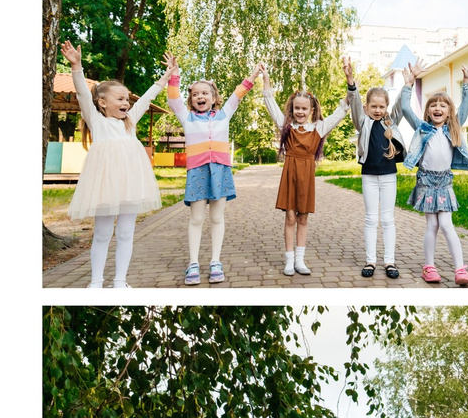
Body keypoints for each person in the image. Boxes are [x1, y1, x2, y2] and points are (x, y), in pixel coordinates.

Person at [62, 41, 163, 288]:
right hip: (105, 185)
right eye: (120, 98)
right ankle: (96, 282)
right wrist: (77, 66)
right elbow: (84, 94)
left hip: (130, 184)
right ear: (103, 102)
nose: (126, 102)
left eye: (127, 98)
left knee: (126, 232)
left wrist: (165, 78)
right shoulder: (96, 121)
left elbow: (148, 97)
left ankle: (120, 281)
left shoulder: (130, 121)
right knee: (103, 234)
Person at [165, 62, 254, 285]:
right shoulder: (187, 117)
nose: (200, 96)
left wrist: (252, 76)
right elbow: (173, 100)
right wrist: (174, 75)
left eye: (205, 93)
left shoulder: (224, 115)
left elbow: (238, 94)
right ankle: (193, 263)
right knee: (196, 219)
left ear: (214, 98)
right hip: (197, 172)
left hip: (220, 171)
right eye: (196, 94)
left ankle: (215, 261)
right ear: (191, 100)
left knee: (216, 217)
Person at [252, 67, 340, 277]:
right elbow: (270, 103)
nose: (300, 112)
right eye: (297, 108)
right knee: (290, 218)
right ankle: (289, 260)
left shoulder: (318, 128)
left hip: (307, 177)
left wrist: (349, 82)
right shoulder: (287, 127)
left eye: (304, 109)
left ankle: (301, 261)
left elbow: (341, 111)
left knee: (303, 218)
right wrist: (266, 80)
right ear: (292, 110)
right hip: (290, 174)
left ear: (311, 110)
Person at [395, 69, 468, 285]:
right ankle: (429, 267)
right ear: (428, 112)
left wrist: (467, 82)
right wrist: (408, 84)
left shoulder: (453, 128)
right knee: (432, 225)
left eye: (443, 105)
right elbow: (405, 108)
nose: (438, 108)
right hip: (425, 181)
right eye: (433, 105)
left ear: (450, 112)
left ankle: (460, 269)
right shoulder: (422, 128)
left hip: (444, 182)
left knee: (446, 224)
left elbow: (466, 106)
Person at [342, 59, 407, 279]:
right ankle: (371, 261)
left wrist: (408, 84)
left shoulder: (391, 121)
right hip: (369, 176)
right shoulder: (363, 121)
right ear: (368, 107)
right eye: (374, 107)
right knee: (371, 219)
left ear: (386, 108)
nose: (378, 110)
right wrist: (351, 82)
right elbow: (354, 103)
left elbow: (400, 104)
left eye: (381, 107)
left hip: (389, 177)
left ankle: (390, 262)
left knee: (388, 219)